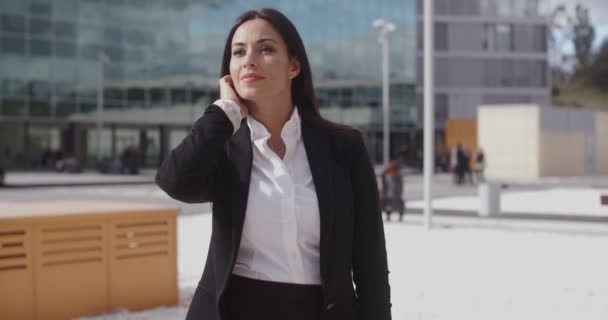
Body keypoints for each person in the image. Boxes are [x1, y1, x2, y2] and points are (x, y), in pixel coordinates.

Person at [155, 8, 391, 320]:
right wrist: (224, 111)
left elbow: (370, 260)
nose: (249, 60)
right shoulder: (223, 146)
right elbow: (175, 182)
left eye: (265, 48)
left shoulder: (344, 148)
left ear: (294, 66)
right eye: (238, 52)